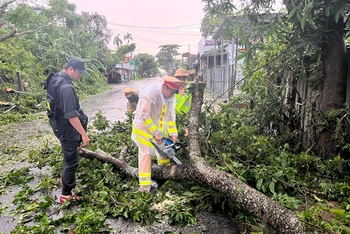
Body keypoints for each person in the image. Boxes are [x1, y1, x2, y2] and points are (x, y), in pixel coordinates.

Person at [44, 57, 90, 204]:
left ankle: (66, 182)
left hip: (57, 123)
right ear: (70, 69)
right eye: (79, 73)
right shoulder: (66, 88)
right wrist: (83, 134)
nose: (80, 76)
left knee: (70, 153)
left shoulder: (55, 78)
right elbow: (71, 115)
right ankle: (66, 194)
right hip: (65, 127)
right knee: (72, 161)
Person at [131, 76, 185, 192]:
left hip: (156, 127)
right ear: (164, 87)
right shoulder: (150, 94)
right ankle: (144, 188)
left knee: (163, 150)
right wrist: (155, 132)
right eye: (172, 92)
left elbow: (170, 117)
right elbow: (144, 114)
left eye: (175, 93)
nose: (173, 95)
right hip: (143, 127)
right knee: (146, 154)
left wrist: (173, 133)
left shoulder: (170, 97)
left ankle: (164, 174)